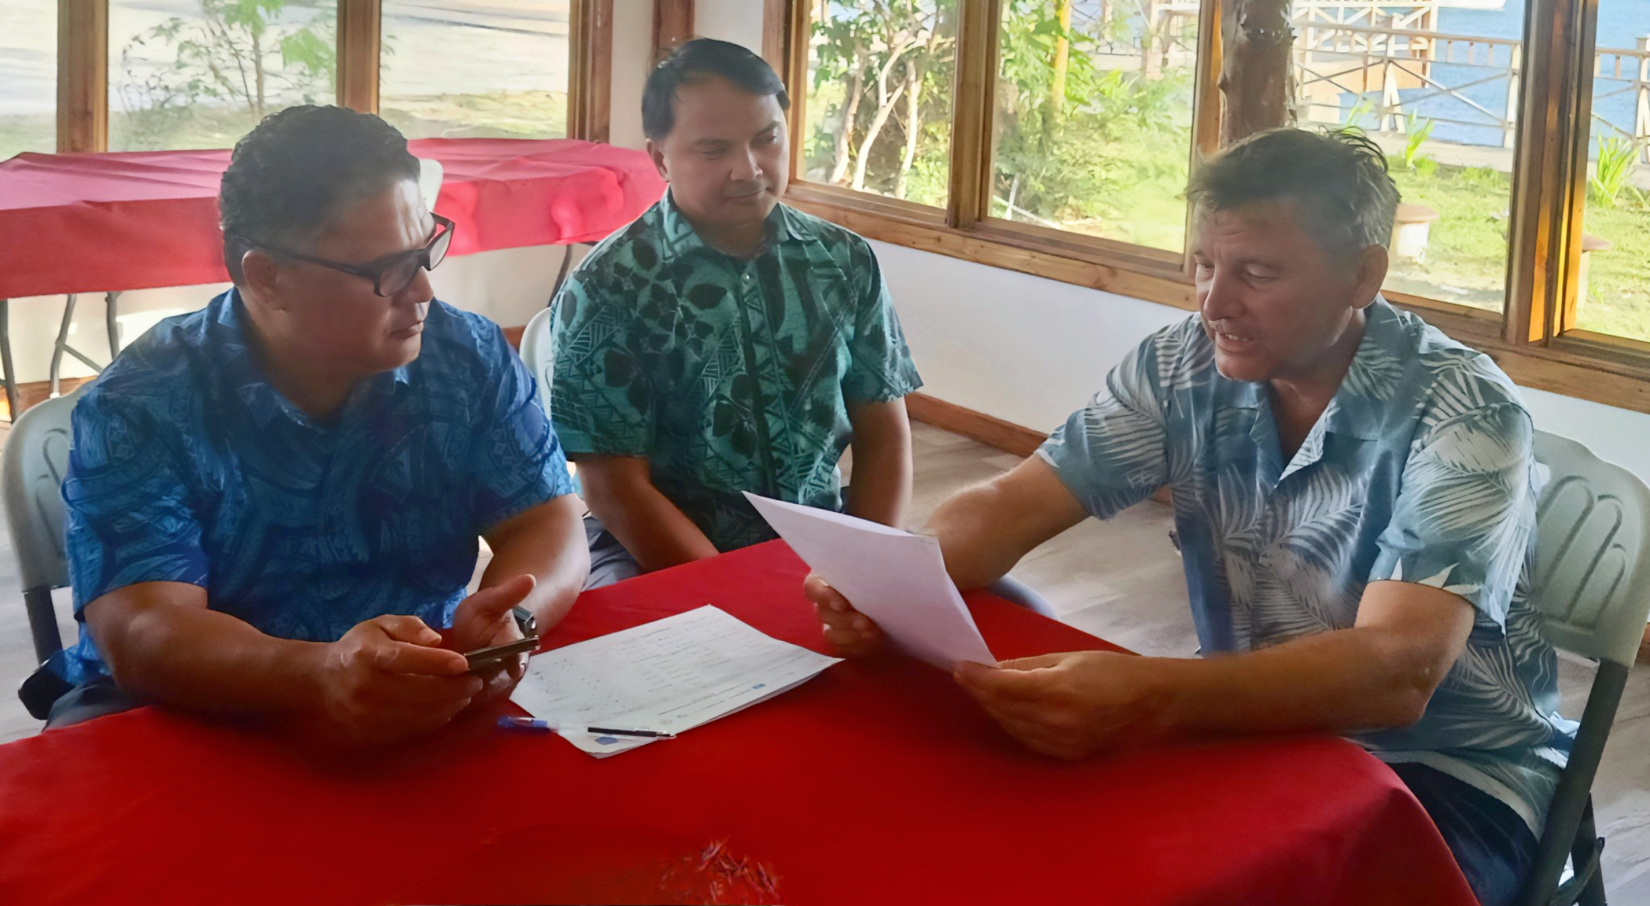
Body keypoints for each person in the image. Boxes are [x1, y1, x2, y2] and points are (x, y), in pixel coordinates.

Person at [809, 128, 1575, 906]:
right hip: (1250, 729)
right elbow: (1017, 499)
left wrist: (1154, 695)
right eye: (1205, 266)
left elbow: (1397, 670)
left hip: (1448, 771)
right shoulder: (1182, 364)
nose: (1214, 303)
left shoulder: (1464, 411)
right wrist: (888, 580)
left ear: (1362, 275)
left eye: (1257, 273)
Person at [24, 105, 589, 744]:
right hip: (187, 706)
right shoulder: (144, 401)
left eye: (426, 249)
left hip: (419, 676)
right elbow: (145, 630)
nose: (424, 291)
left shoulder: (465, 356)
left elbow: (549, 519)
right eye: (387, 269)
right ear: (267, 277)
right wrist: (317, 675)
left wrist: (511, 618)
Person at [549, 39, 922, 588]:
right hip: (651, 548)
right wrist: (739, 595)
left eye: (766, 140)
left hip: (821, 535)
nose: (748, 170)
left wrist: (865, 574)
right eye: (714, 150)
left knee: (1007, 613)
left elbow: (885, 431)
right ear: (659, 158)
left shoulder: (843, 261)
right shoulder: (611, 284)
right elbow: (613, 488)